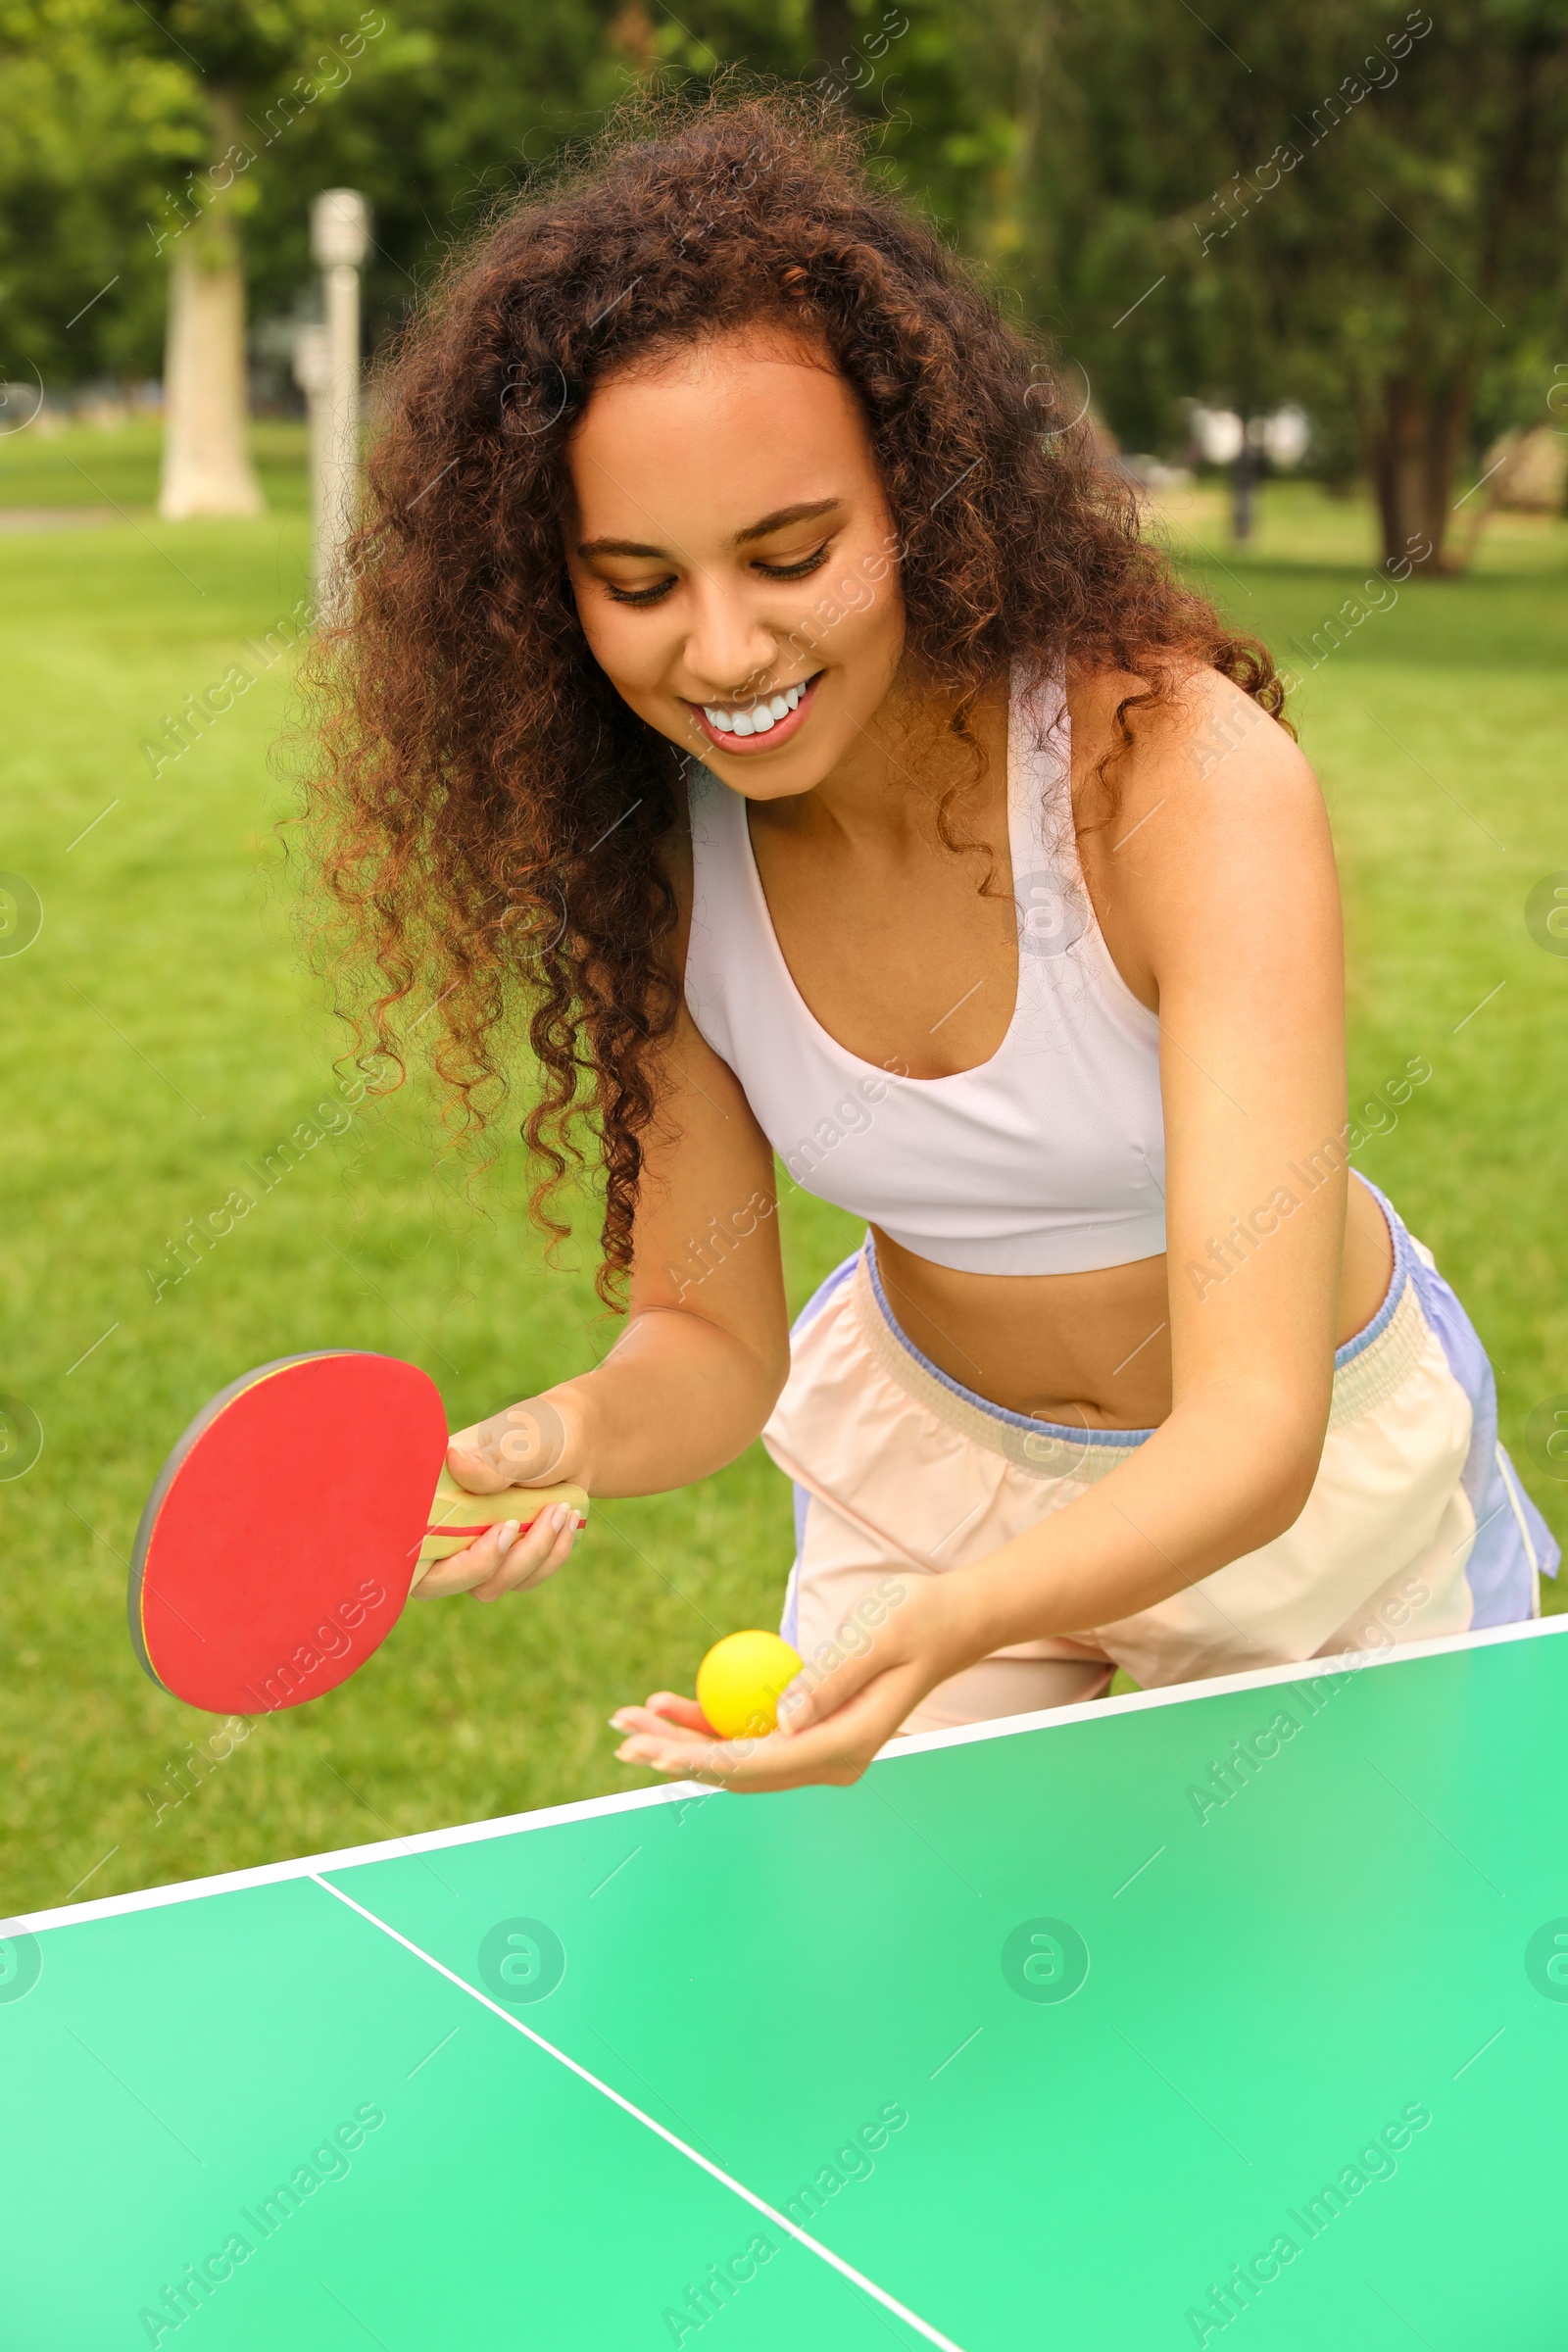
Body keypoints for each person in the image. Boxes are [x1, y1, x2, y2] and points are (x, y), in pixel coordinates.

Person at [309, 91, 1555, 1792]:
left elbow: (1255, 1435)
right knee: (872, 1977)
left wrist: (955, 1629)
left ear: (919, 494)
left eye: (790, 553)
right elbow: (711, 1340)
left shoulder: (1176, 782)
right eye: (638, 582)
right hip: (938, 1466)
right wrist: (569, 1436)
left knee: (1380, 2003)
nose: (727, 650)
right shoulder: (664, 862)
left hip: (1307, 1487)